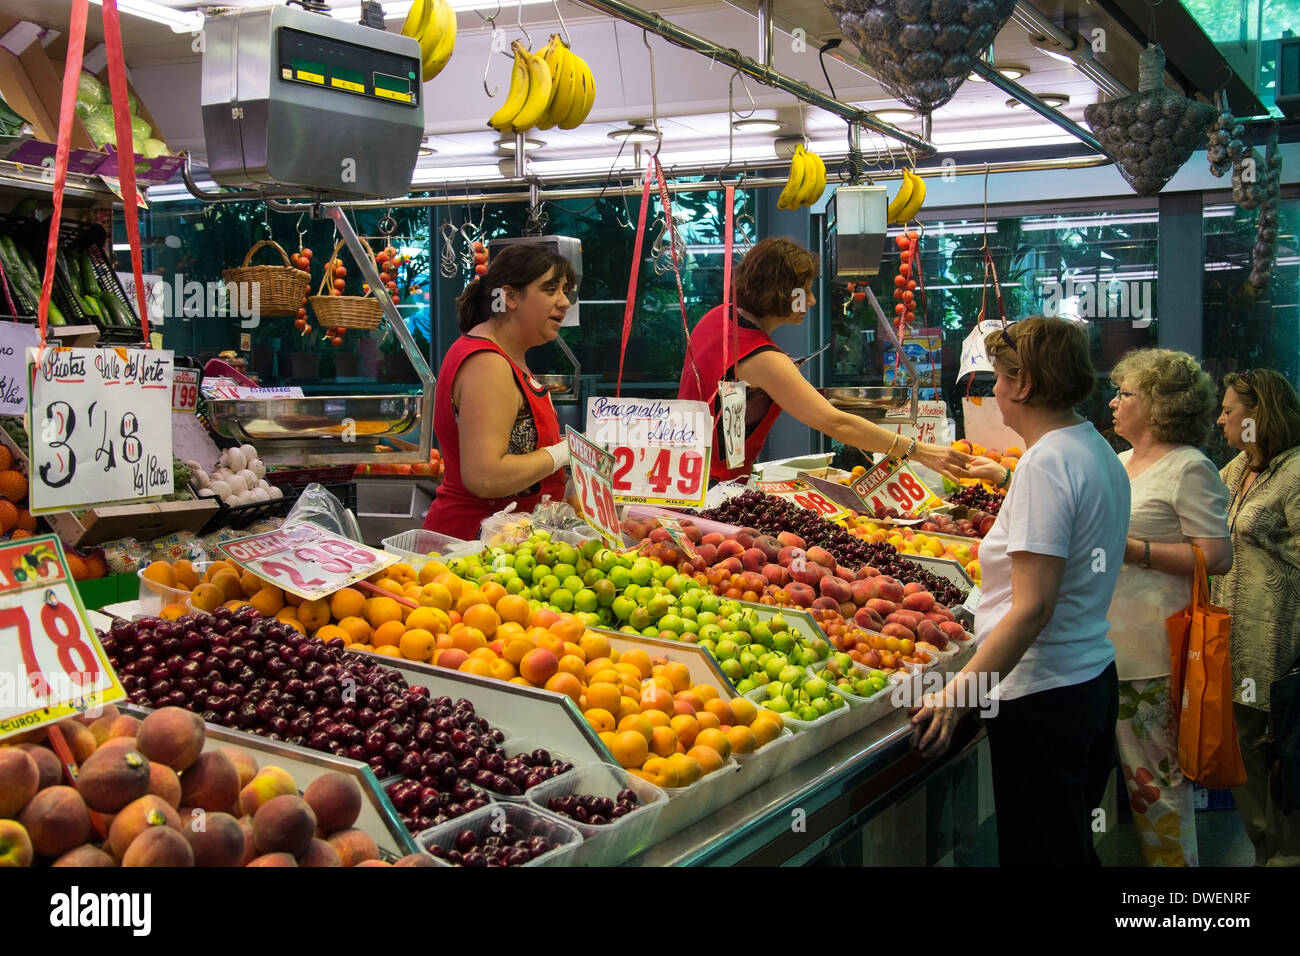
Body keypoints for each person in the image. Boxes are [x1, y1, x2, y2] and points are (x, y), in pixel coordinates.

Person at [910, 316, 1130, 866]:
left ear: (1025, 384)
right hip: (1089, 682)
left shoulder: (1046, 462)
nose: (995, 395)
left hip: (1043, 697)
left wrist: (957, 694)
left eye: (998, 380)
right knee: (1070, 847)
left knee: (1043, 855)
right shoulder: (1094, 448)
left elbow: (1032, 608)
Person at [676, 237, 971, 482]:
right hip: (713, 485)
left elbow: (722, 379)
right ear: (782, 293)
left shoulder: (718, 317)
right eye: (804, 291)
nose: (812, 300)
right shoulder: (764, 358)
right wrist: (917, 451)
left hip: (684, 473)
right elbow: (836, 425)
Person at [1104, 348, 1231, 867]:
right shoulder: (1119, 462)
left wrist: (1136, 550)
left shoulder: (1190, 467)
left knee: (1155, 788)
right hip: (1102, 649)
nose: (1114, 402)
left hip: (1151, 654)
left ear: (1160, 406)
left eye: (1126, 394)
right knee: (1124, 786)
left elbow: (1217, 555)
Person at [423, 244, 576, 540]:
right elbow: (485, 476)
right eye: (550, 290)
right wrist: (563, 452)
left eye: (565, 290)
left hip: (507, 546)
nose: (564, 302)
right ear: (510, 297)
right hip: (471, 549)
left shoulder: (506, 356)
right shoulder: (487, 363)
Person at [1212, 368, 1300, 867]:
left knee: (1284, 757)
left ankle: (1287, 854)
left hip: (1284, 648)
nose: (1220, 418)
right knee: (1246, 750)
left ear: (1258, 415)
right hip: (1236, 647)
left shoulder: (1296, 472)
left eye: (1229, 410)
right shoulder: (1238, 468)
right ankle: (1266, 850)